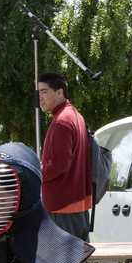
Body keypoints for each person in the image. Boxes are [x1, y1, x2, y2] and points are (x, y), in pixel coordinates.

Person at [37, 72, 92, 241]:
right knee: (79, 261)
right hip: (76, 205)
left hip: (63, 207)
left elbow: (59, 164)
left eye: (44, 92)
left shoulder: (62, 121)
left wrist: (37, 171)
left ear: (60, 92)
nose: (40, 97)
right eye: (38, 93)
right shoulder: (76, 116)